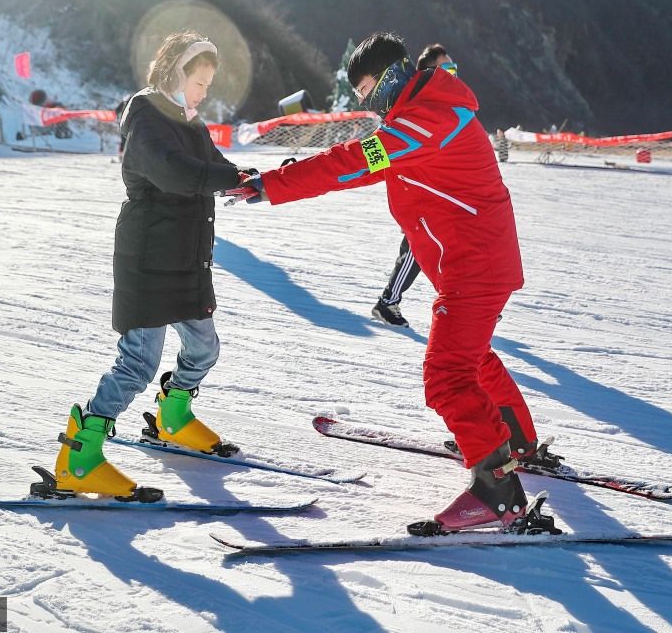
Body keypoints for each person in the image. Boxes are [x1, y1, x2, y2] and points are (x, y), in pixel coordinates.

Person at [228, 32, 550, 533]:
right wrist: (289, 174)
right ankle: (514, 443)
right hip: (472, 263)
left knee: (447, 376)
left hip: (474, 267)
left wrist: (273, 186)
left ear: (394, 75)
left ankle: (498, 492)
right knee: (472, 356)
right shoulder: (423, 114)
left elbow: (357, 162)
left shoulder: (426, 122)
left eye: (365, 87)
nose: (362, 98)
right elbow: (365, 158)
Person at [43, 31, 250, 501]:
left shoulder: (189, 121)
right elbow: (174, 172)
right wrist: (228, 177)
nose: (202, 92)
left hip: (186, 256)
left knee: (204, 348)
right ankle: (80, 456)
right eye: (199, 82)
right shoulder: (145, 116)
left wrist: (253, 179)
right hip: (147, 256)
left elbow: (216, 165)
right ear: (175, 71)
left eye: (207, 85)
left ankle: (172, 417)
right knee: (138, 363)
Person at [371, 43, 457, 328]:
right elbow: (373, 155)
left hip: (442, 195)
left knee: (447, 250)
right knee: (416, 251)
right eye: (446, 69)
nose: (452, 75)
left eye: (454, 69)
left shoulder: (448, 102)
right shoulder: (414, 108)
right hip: (418, 198)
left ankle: (469, 303)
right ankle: (387, 302)